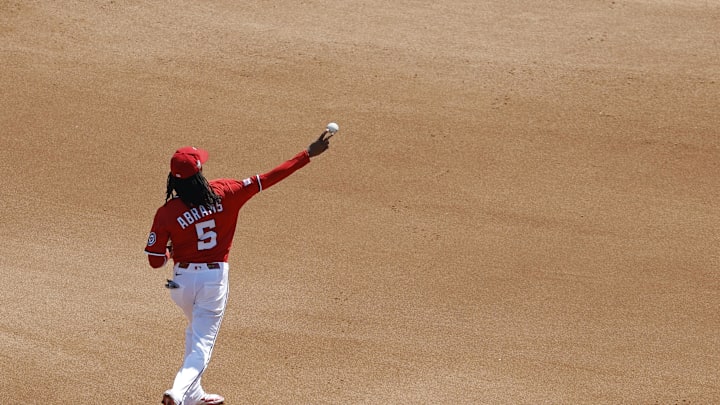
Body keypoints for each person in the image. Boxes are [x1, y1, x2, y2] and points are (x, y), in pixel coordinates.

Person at [144, 130, 331, 405]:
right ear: (200, 173)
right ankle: (178, 391)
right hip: (212, 282)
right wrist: (307, 154)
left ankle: (194, 394)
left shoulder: (167, 212)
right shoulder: (226, 191)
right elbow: (268, 178)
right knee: (203, 344)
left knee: (195, 332)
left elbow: (155, 260)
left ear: (174, 179)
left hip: (181, 284)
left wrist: (174, 249)